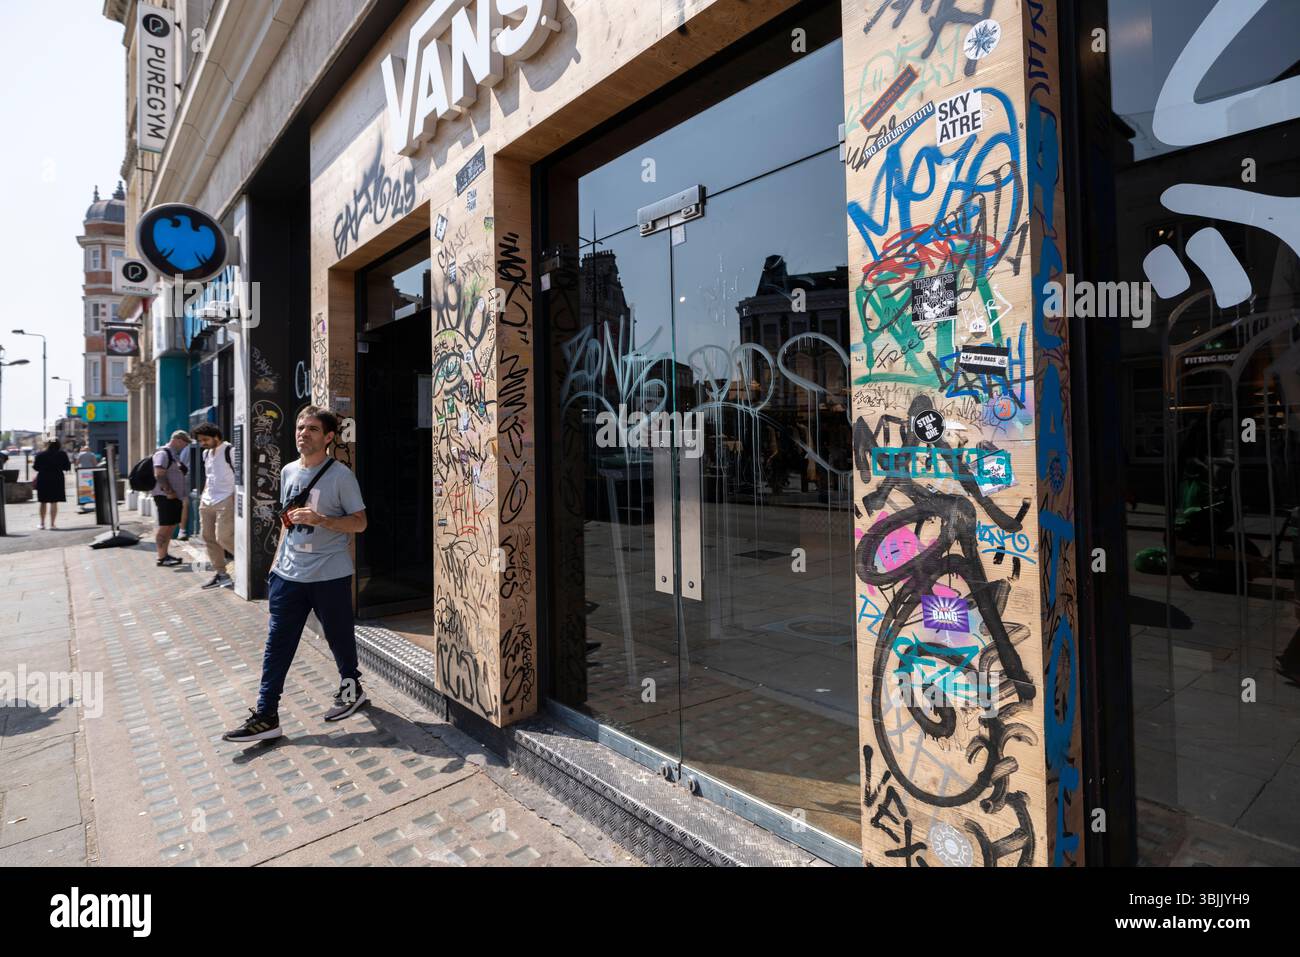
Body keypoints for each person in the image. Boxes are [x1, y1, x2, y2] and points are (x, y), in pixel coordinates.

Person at [223, 407, 368, 742]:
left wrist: (323, 520)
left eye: (313, 429)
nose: (303, 433)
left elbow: (360, 523)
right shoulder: (288, 471)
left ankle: (352, 688)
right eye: (301, 427)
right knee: (277, 644)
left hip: (329, 574)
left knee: (339, 637)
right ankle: (266, 714)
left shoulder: (341, 476)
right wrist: (275, 568)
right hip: (288, 575)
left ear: (329, 437)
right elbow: (286, 523)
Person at [192, 423, 236, 589]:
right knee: (208, 538)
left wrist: (234, 496)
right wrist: (203, 496)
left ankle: (249, 565)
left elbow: (240, 474)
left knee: (223, 537)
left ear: (216, 437)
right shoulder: (206, 454)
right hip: (207, 500)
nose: (202, 443)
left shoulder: (229, 450)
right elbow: (210, 477)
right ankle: (221, 574)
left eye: (205, 439)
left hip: (225, 499)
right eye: (200, 440)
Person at [152, 430, 192, 567]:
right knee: (164, 527)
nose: (184, 446)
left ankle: (165, 555)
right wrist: (169, 491)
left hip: (174, 497)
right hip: (165, 497)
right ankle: (161, 557)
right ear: (177, 440)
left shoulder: (174, 455)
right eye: (184, 443)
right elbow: (159, 474)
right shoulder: (163, 453)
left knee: (170, 526)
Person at [33, 440, 71, 529]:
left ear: (47, 445)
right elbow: (67, 467)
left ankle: (42, 524)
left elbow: (36, 467)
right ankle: (52, 524)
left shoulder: (40, 454)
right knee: (54, 501)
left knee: (43, 502)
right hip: (57, 479)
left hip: (43, 479)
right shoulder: (62, 454)